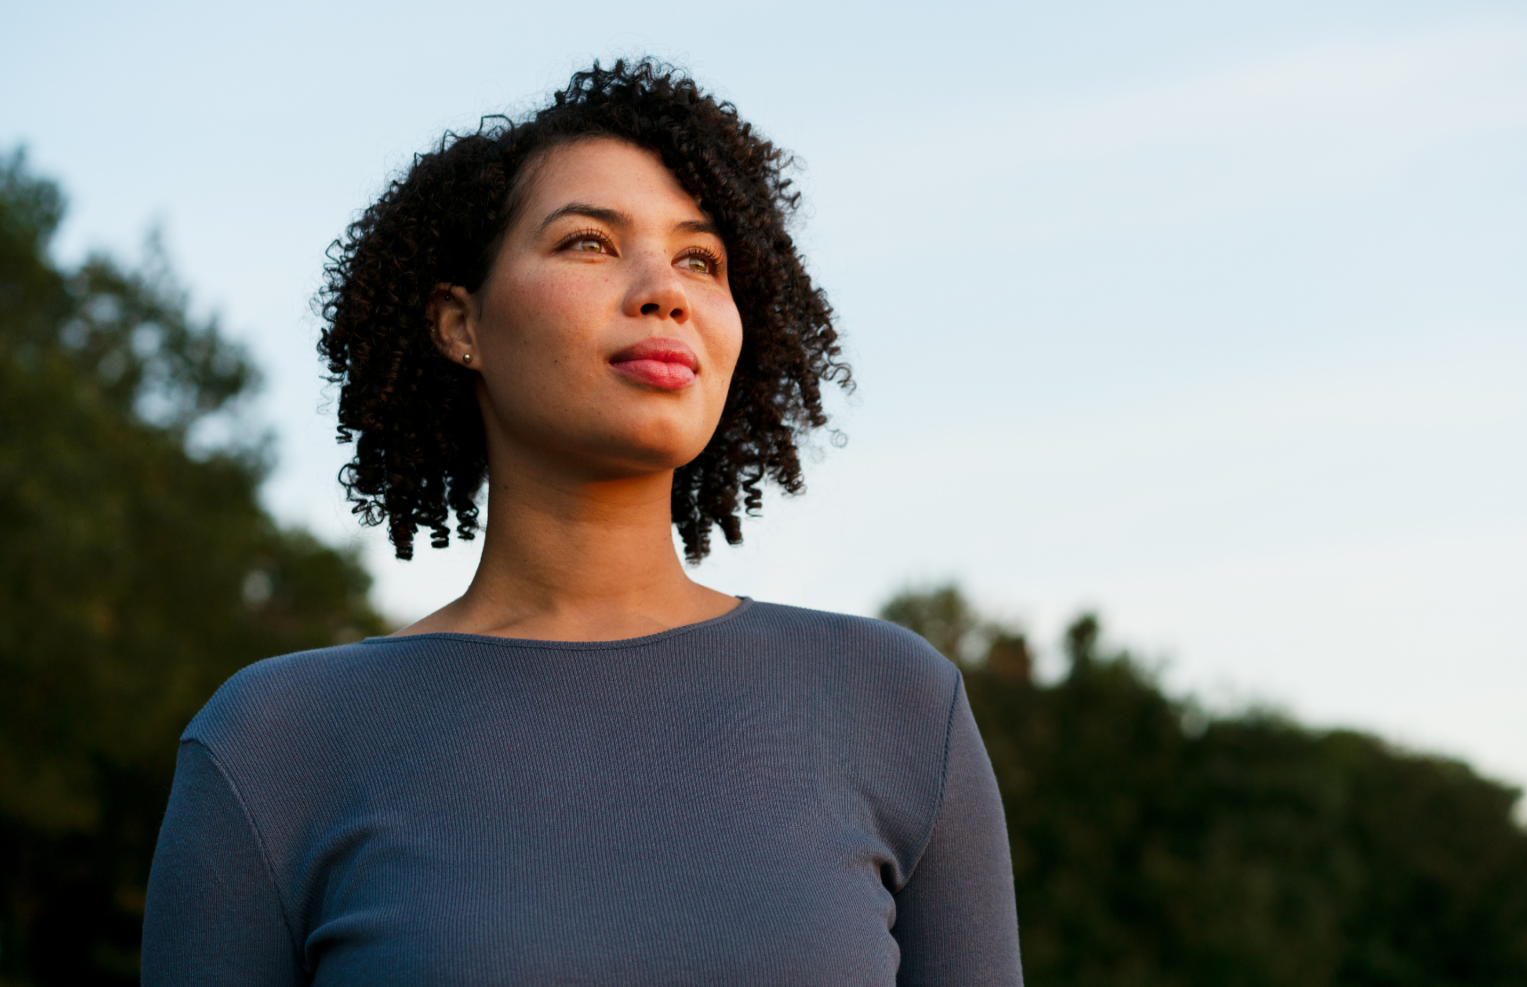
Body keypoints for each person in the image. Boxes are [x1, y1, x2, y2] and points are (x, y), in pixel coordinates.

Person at [141, 60, 1022, 985]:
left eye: (701, 259)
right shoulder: (275, 741)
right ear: (458, 323)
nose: (663, 290)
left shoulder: (901, 706)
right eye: (590, 243)